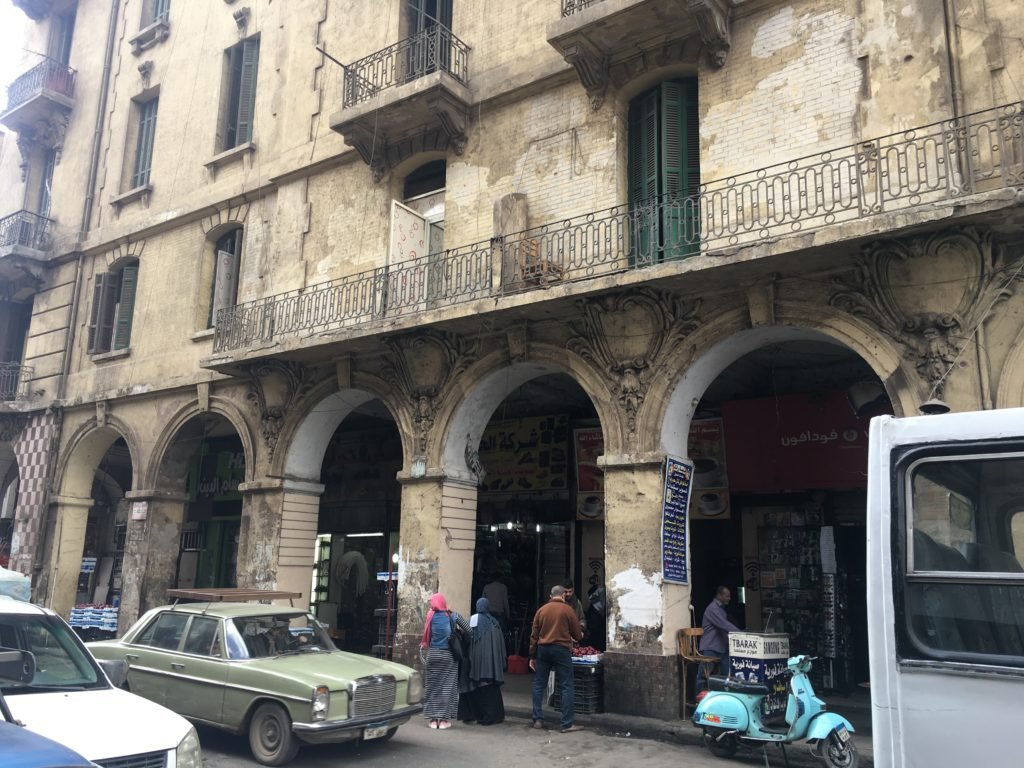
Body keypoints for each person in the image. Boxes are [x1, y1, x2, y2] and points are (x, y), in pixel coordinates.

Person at [529, 584, 584, 733]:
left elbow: (534, 635)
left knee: (539, 683)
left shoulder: (541, 610)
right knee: (566, 685)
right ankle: (566, 724)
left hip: (543, 649)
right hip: (561, 649)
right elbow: (577, 634)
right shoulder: (568, 610)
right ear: (564, 595)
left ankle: (537, 719)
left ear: (550, 596)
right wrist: (576, 636)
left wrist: (532, 655)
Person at [420, 593, 470, 730]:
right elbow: (469, 630)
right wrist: (456, 632)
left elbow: (427, 635)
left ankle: (433, 720)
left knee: (432, 687)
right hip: (449, 656)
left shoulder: (430, 616)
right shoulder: (453, 616)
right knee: (447, 688)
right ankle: (443, 720)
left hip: (433, 655)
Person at [458, 597, 507, 725]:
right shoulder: (495, 622)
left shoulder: (472, 620)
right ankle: (492, 716)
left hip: (475, 662)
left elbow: (465, 637)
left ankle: (472, 715)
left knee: (474, 685)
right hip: (492, 664)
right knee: (490, 688)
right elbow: (501, 644)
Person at [698, 585, 740, 690]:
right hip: (711, 647)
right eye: (727, 596)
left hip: (721, 647)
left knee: (726, 675)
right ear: (719, 595)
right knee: (703, 675)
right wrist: (740, 632)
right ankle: (699, 700)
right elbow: (724, 624)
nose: (729, 598)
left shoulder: (721, 609)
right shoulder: (713, 608)